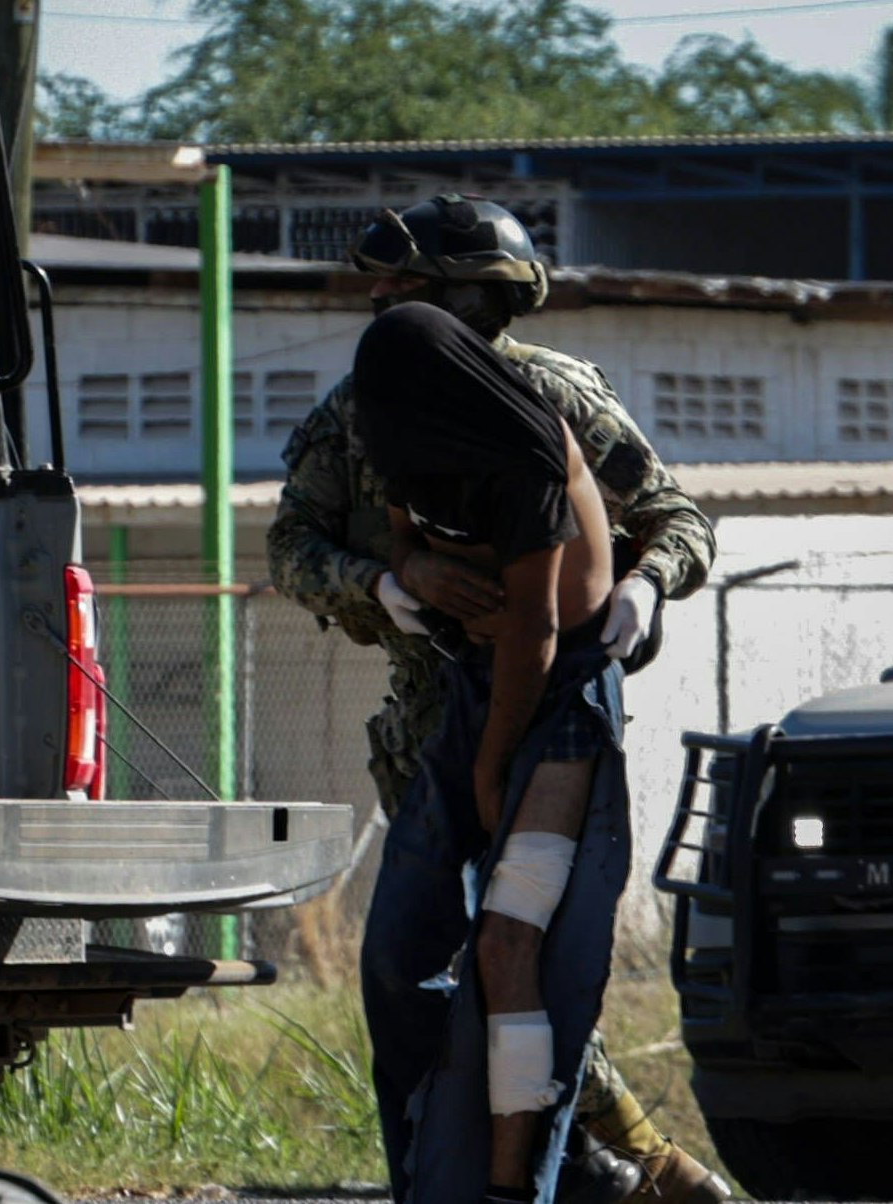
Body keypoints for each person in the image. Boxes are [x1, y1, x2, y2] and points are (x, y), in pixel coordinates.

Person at [267, 195, 723, 1203]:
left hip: (544, 726)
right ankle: (493, 1175)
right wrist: (392, 584)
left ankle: (577, 1172)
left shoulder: (554, 397)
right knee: (408, 971)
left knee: (518, 963)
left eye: (407, 290)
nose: (380, 306)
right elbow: (292, 546)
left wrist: (647, 587)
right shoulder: (362, 407)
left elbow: (678, 517)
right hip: (427, 726)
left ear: (472, 296)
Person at [347, 299, 636, 1204]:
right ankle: (428, 1181)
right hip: (475, 686)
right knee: (398, 956)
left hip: (558, 699)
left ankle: (516, 1189)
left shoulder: (527, 449)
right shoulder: (396, 429)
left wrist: (489, 764)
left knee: (512, 943)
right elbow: (402, 532)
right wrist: (410, 574)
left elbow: (539, 630)